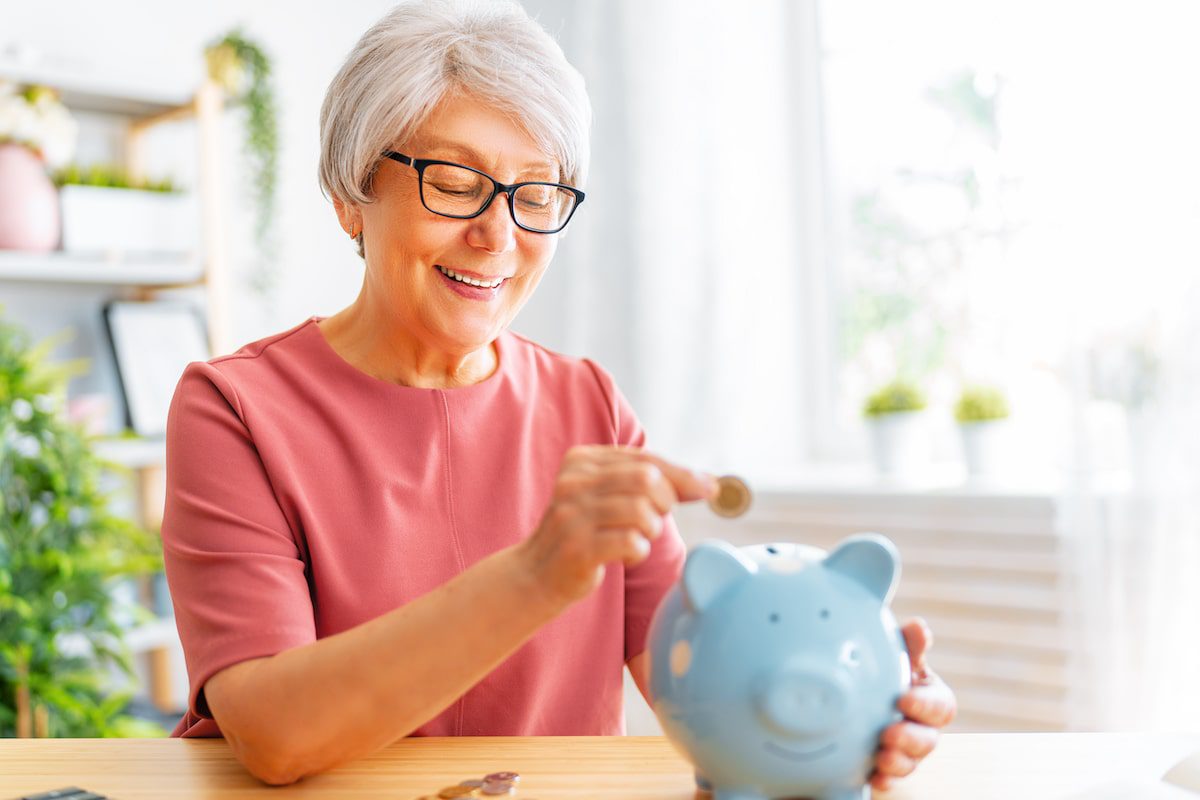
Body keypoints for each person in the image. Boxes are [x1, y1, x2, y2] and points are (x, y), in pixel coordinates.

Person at [160, 0, 956, 788]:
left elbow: (706, 682)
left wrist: (865, 705)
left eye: (536, 193)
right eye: (455, 179)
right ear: (349, 193)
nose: (498, 234)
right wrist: (537, 574)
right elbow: (272, 734)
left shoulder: (589, 406)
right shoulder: (234, 409)